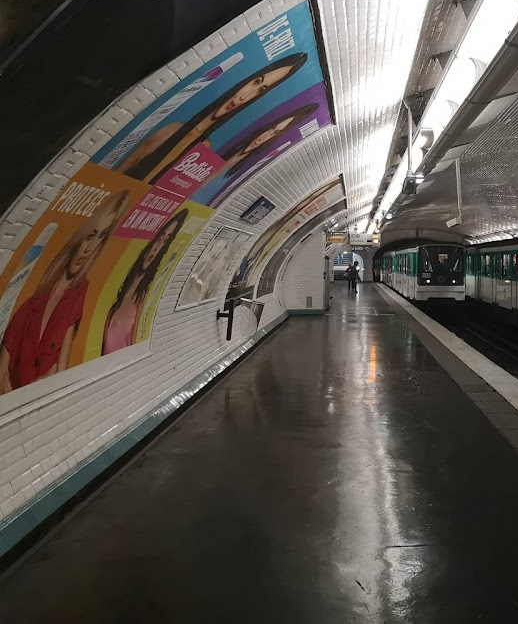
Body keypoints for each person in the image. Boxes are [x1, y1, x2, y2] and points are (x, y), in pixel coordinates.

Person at [0, 191, 130, 394]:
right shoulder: (31, 301)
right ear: (78, 239)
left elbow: (61, 367)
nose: (90, 248)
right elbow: (4, 368)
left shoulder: (78, 292)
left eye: (102, 237)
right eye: (90, 236)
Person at [117, 53, 308, 182]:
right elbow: (130, 162)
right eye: (256, 82)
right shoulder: (173, 128)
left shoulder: (204, 150)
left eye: (261, 90)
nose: (245, 97)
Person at [103, 209, 188, 354]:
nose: (157, 248)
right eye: (159, 238)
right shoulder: (124, 286)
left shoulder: (148, 293)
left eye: (165, 241)